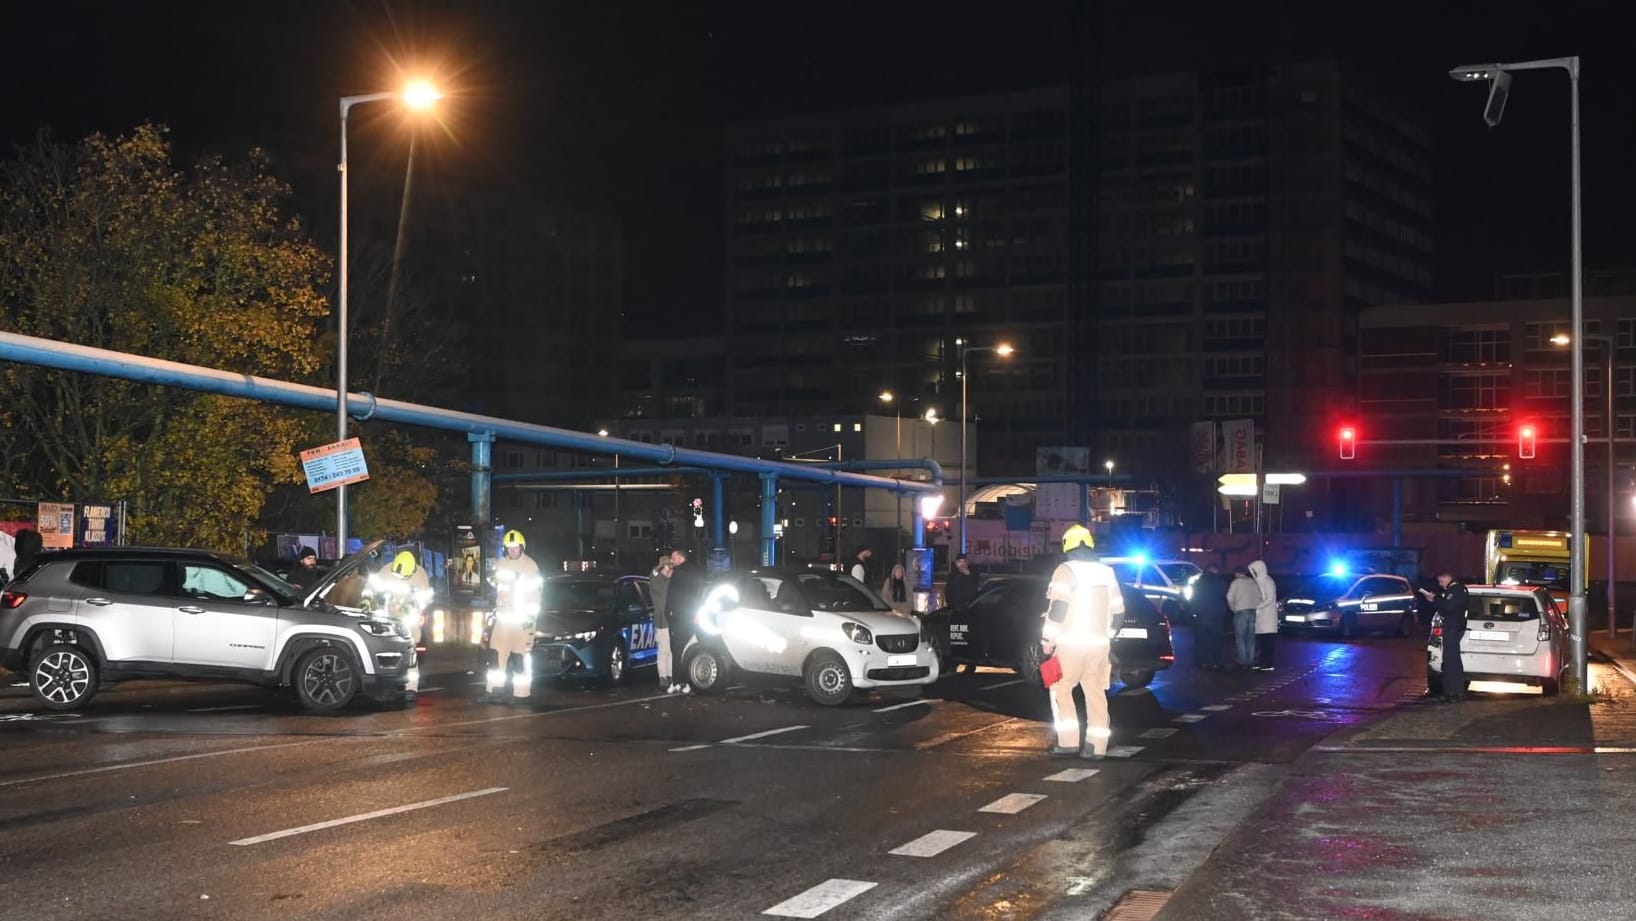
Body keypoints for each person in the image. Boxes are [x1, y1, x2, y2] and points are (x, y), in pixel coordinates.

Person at [1040, 524, 1124, 760]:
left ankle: (1068, 742)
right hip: (1099, 647)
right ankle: (1096, 747)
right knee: (1095, 692)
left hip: (1070, 644)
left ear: (1067, 545)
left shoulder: (1065, 570)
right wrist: (1106, 637)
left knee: (1060, 688)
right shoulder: (1107, 572)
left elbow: (1058, 609)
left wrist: (1048, 638)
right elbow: (1118, 613)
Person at [485, 529, 542, 703]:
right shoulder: (500, 564)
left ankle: (522, 695)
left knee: (520, 659)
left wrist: (530, 618)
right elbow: (492, 582)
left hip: (522, 623)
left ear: (522, 547)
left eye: (515, 548)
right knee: (496, 657)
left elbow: (536, 596)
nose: (512, 551)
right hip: (503, 622)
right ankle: (494, 691)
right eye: (509, 548)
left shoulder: (531, 567)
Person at [1421, 570, 1469, 702]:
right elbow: (1444, 607)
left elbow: (1449, 606)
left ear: (1446, 577)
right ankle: (1450, 691)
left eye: (1440, 581)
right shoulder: (1453, 590)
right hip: (1451, 627)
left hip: (1453, 627)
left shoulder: (1457, 590)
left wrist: (1435, 599)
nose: (1440, 584)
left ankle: (1455, 692)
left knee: (1452, 661)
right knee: (1448, 660)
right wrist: (1434, 600)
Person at [665, 548, 705, 693]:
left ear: (681, 558)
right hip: (691, 617)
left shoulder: (678, 574)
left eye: (673, 558)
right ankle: (687, 682)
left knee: (676, 650)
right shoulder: (696, 573)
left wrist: (668, 613)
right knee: (687, 649)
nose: (671, 561)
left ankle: (676, 682)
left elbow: (672, 595)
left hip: (678, 617)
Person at [1191, 564, 1230, 670]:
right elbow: (1224, 597)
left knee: (1201, 640)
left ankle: (1202, 661)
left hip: (1201, 615)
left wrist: (1194, 612)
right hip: (1216, 615)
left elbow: (1193, 599)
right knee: (1216, 640)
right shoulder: (1219, 582)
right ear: (1215, 570)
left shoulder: (1198, 583)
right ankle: (1216, 661)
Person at [1226, 566, 1262, 671]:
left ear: (1237, 573)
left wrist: (1233, 607)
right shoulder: (1253, 582)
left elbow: (1229, 597)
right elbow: (1260, 597)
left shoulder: (1236, 582)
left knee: (1240, 638)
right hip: (1254, 611)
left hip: (1241, 611)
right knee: (1251, 637)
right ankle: (1250, 660)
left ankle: (1243, 661)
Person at [650, 553, 676, 693]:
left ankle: (670, 676)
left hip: (668, 620)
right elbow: (654, 576)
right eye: (669, 567)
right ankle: (664, 677)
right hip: (662, 621)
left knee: (670, 650)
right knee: (664, 651)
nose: (671, 570)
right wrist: (661, 569)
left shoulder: (665, 580)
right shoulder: (658, 581)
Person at [1249, 560, 1278, 672]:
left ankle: (1268, 663)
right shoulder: (1260, 581)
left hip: (1268, 617)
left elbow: (1269, 599)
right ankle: (1262, 661)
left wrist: (1257, 606)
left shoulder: (1268, 581)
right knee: (1262, 641)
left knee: (1268, 642)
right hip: (1261, 618)